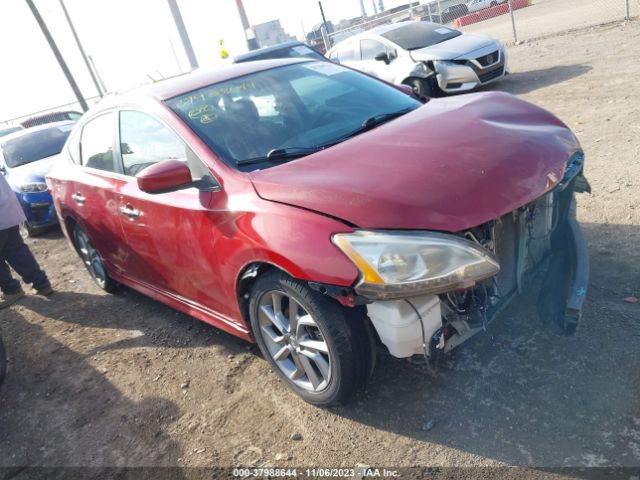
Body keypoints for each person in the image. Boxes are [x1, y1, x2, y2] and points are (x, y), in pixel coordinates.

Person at [0, 173, 52, 308]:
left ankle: (12, 290)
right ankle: (42, 284)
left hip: (3, 212)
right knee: (16, 250)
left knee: (14, 250)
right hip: (7, 211)